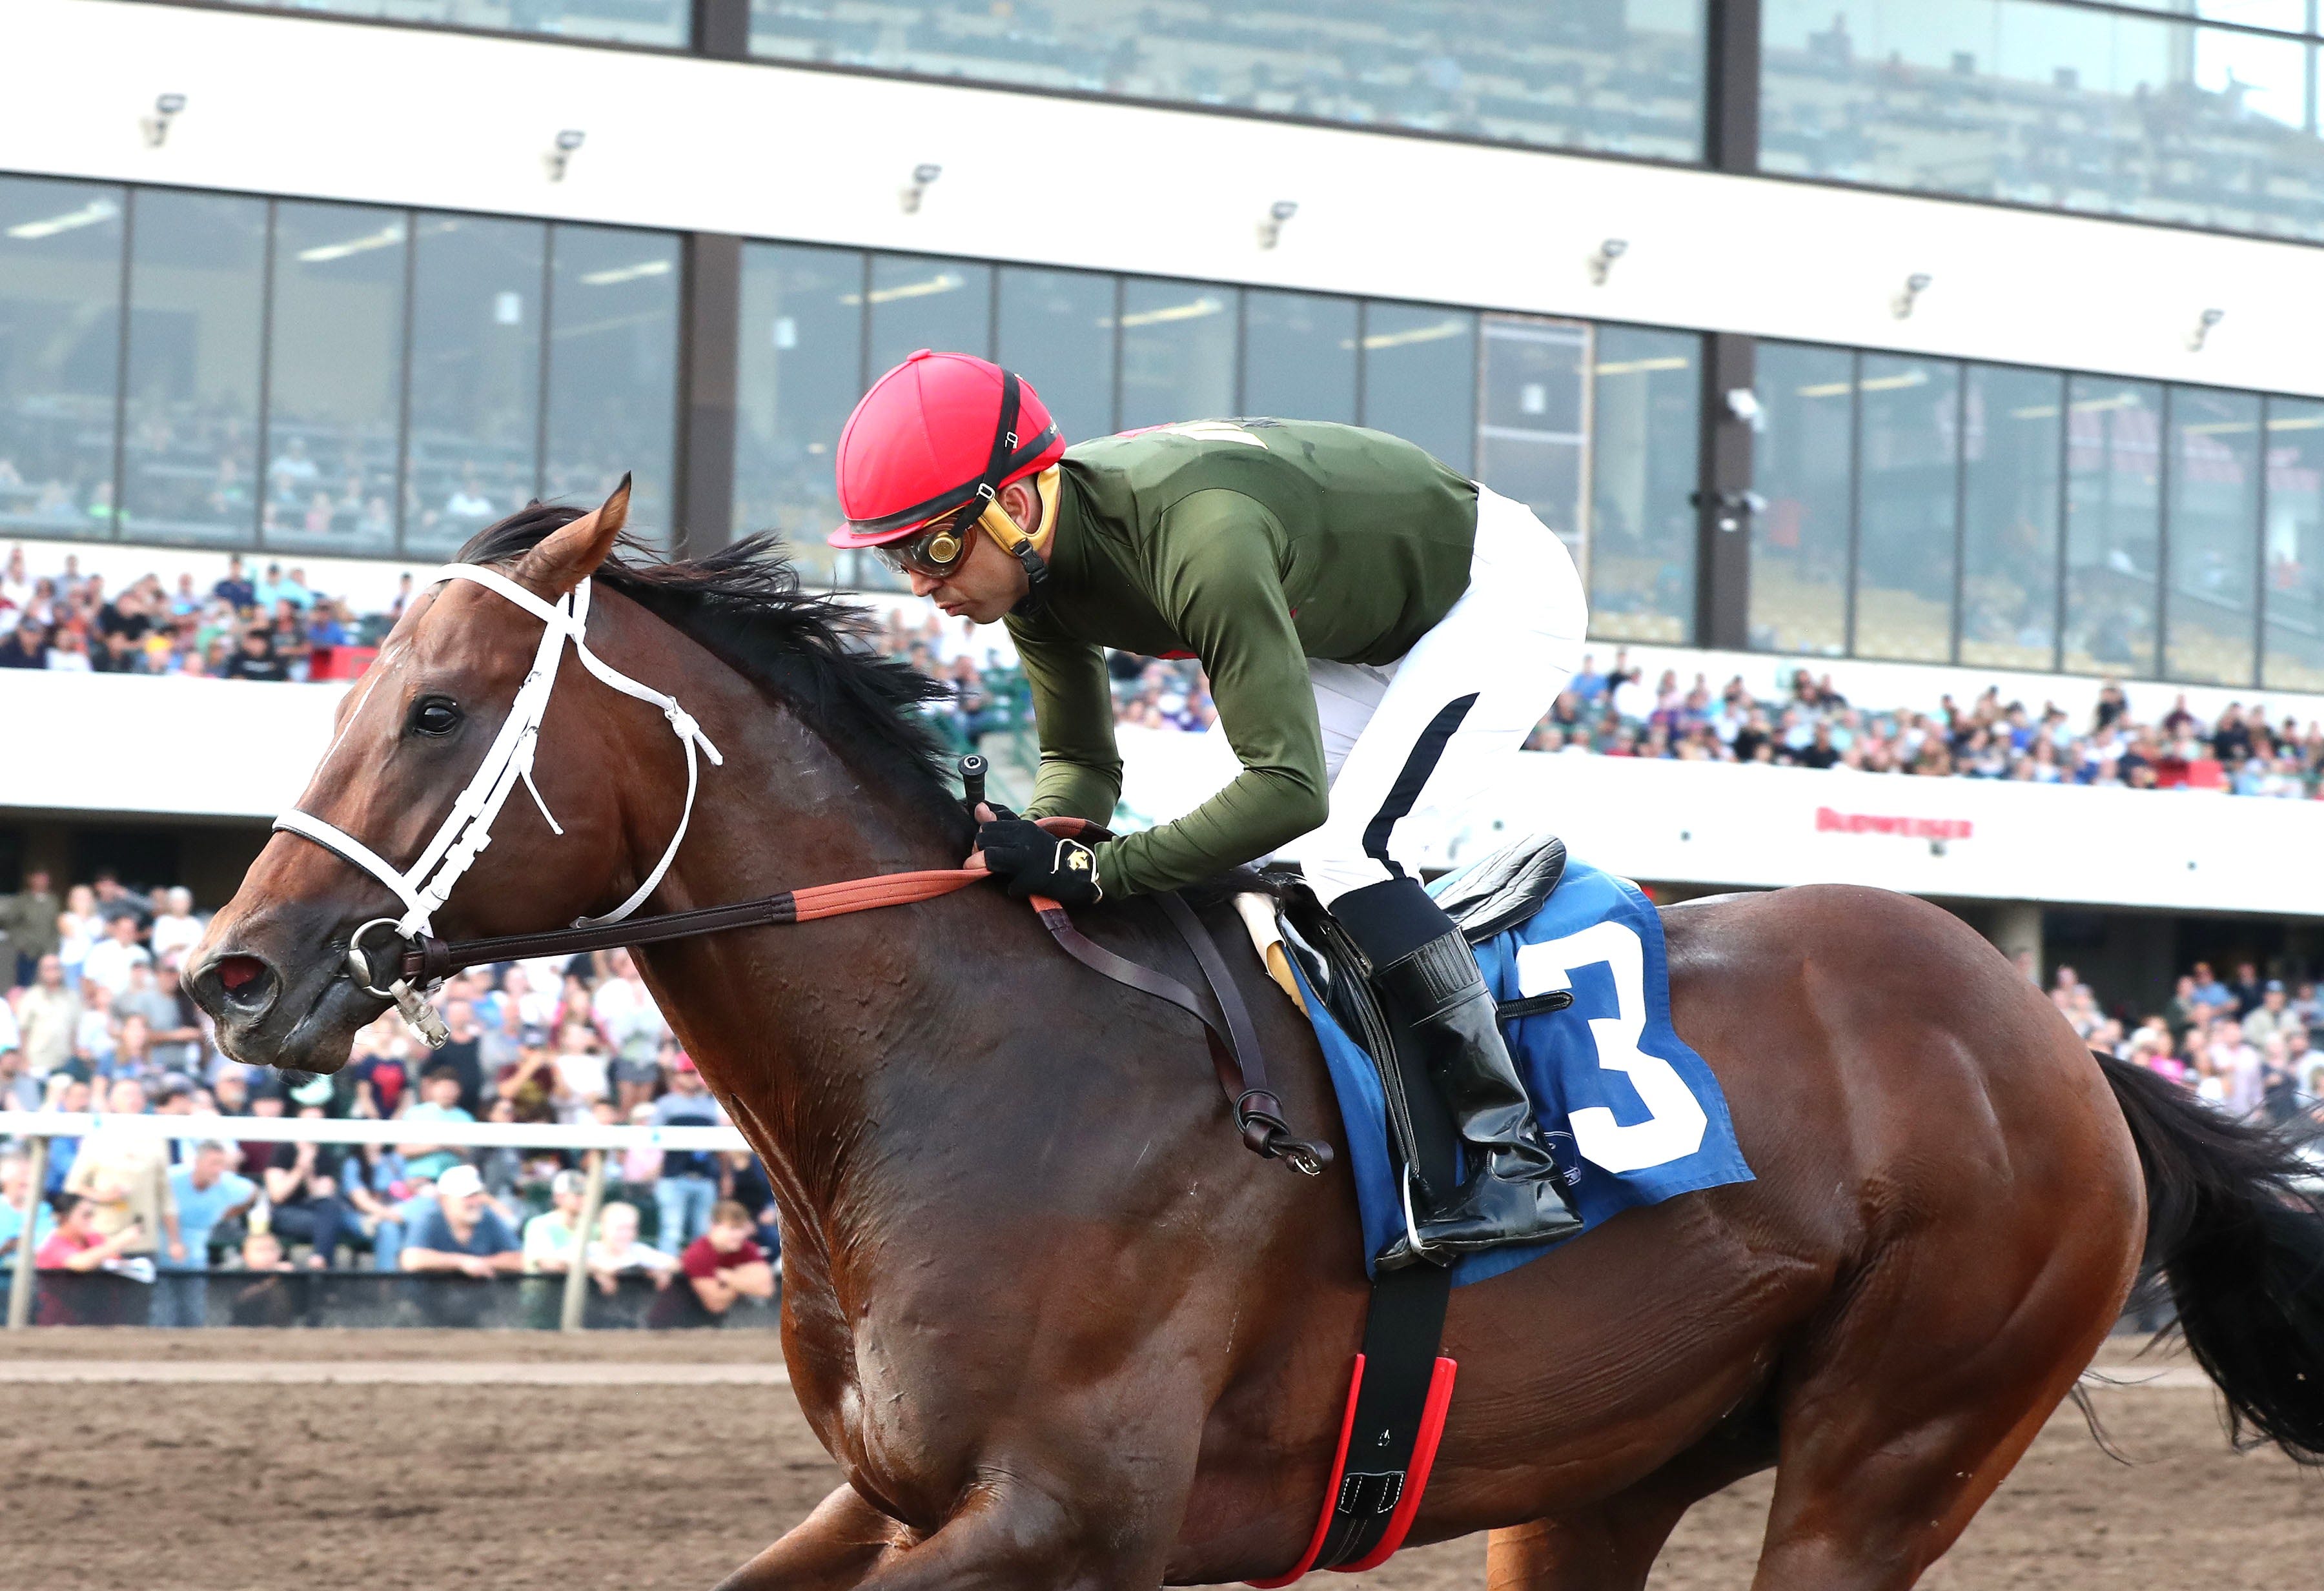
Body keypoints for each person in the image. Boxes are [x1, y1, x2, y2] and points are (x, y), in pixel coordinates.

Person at [825, 352, 1587, 1264]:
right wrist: (1051, 837)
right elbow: (1076, 758)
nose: (917, 581)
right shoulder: (1031, 567)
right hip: (1355, 613)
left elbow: (1287, 788)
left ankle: (1514, 1161)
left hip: (1487, 596)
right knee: (1287, 855)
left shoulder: (1201, 542)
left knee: (1345, 847)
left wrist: (1097, 873)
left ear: (1014, 506)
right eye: (898, 555)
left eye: (932, 546)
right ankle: (1390, 1121)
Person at [155, 1140, 257, 1328]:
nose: (219, 1170)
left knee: (193, 1318)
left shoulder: (227, 1184)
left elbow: (252, 1192)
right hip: (160, 1260)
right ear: (197, 1163)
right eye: (214, 1164)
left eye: (222, 1164)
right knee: (161, 1318)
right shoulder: (172, 1178)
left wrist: (229, 1213)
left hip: (195, 1262)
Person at [658, 1199, 777, 1329]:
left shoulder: (747, 1249)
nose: (738, 1235)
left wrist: (729, 1277)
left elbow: (767, 1289)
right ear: (714, 1226)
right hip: (670, 1328)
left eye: (741, 1228)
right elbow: (715, 1305)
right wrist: (746, 1281)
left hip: (711, 1329)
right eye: (732, 1228)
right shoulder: (698, 1253)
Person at [649, 1053, 725, 1255]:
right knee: (671, 1231)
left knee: (702, 1233)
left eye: (695, 1073)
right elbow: (651, 1139)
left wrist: (725, 1175)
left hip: (704, 1175)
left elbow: (719, 1145)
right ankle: (665, 1274)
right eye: (688, 1073)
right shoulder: (667, 1104)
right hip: (674, 1176)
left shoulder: (710, 1105)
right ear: (677, 1076)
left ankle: (697, 1275)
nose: (693, 1077)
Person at [398, 1163, 521, 1277]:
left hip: (482, 1298)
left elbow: (518, 1259)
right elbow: (411, 1259)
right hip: (432, 1298)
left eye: (476, 1195)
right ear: (444, 1200)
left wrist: (481, 1263)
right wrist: (461, 1262)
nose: (474, 1202)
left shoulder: (488, 1218)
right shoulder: (429, 1220)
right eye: (467, 1196)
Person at [520, 1168, 590, 1275]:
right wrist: (594, 1268)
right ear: (559, 1197)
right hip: (547, 1289)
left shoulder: (591, 1227)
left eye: (586, 1194)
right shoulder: (539, 1225)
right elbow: (548, 1264)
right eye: (578, 1195)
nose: (584, 1199)